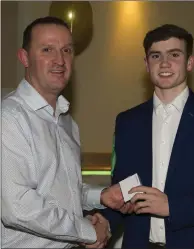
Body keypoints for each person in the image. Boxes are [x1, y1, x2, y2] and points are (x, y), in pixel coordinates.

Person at [1, 16, 131, 248]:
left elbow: (62, 191)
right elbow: (17, 206)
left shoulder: (67, 122)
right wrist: (86, 230)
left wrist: (100, 196)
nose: (59, 60)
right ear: (24, 58)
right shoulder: (9, 118)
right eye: (47, 49)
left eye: (67, 50)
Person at [100, 24, 194, 248]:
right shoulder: (127, 122)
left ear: (190, 62)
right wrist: (104, 223)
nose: (164, 63)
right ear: (146, 64)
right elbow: (123, 192)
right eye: (156, 56)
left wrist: (173, 207)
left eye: (174, 55)